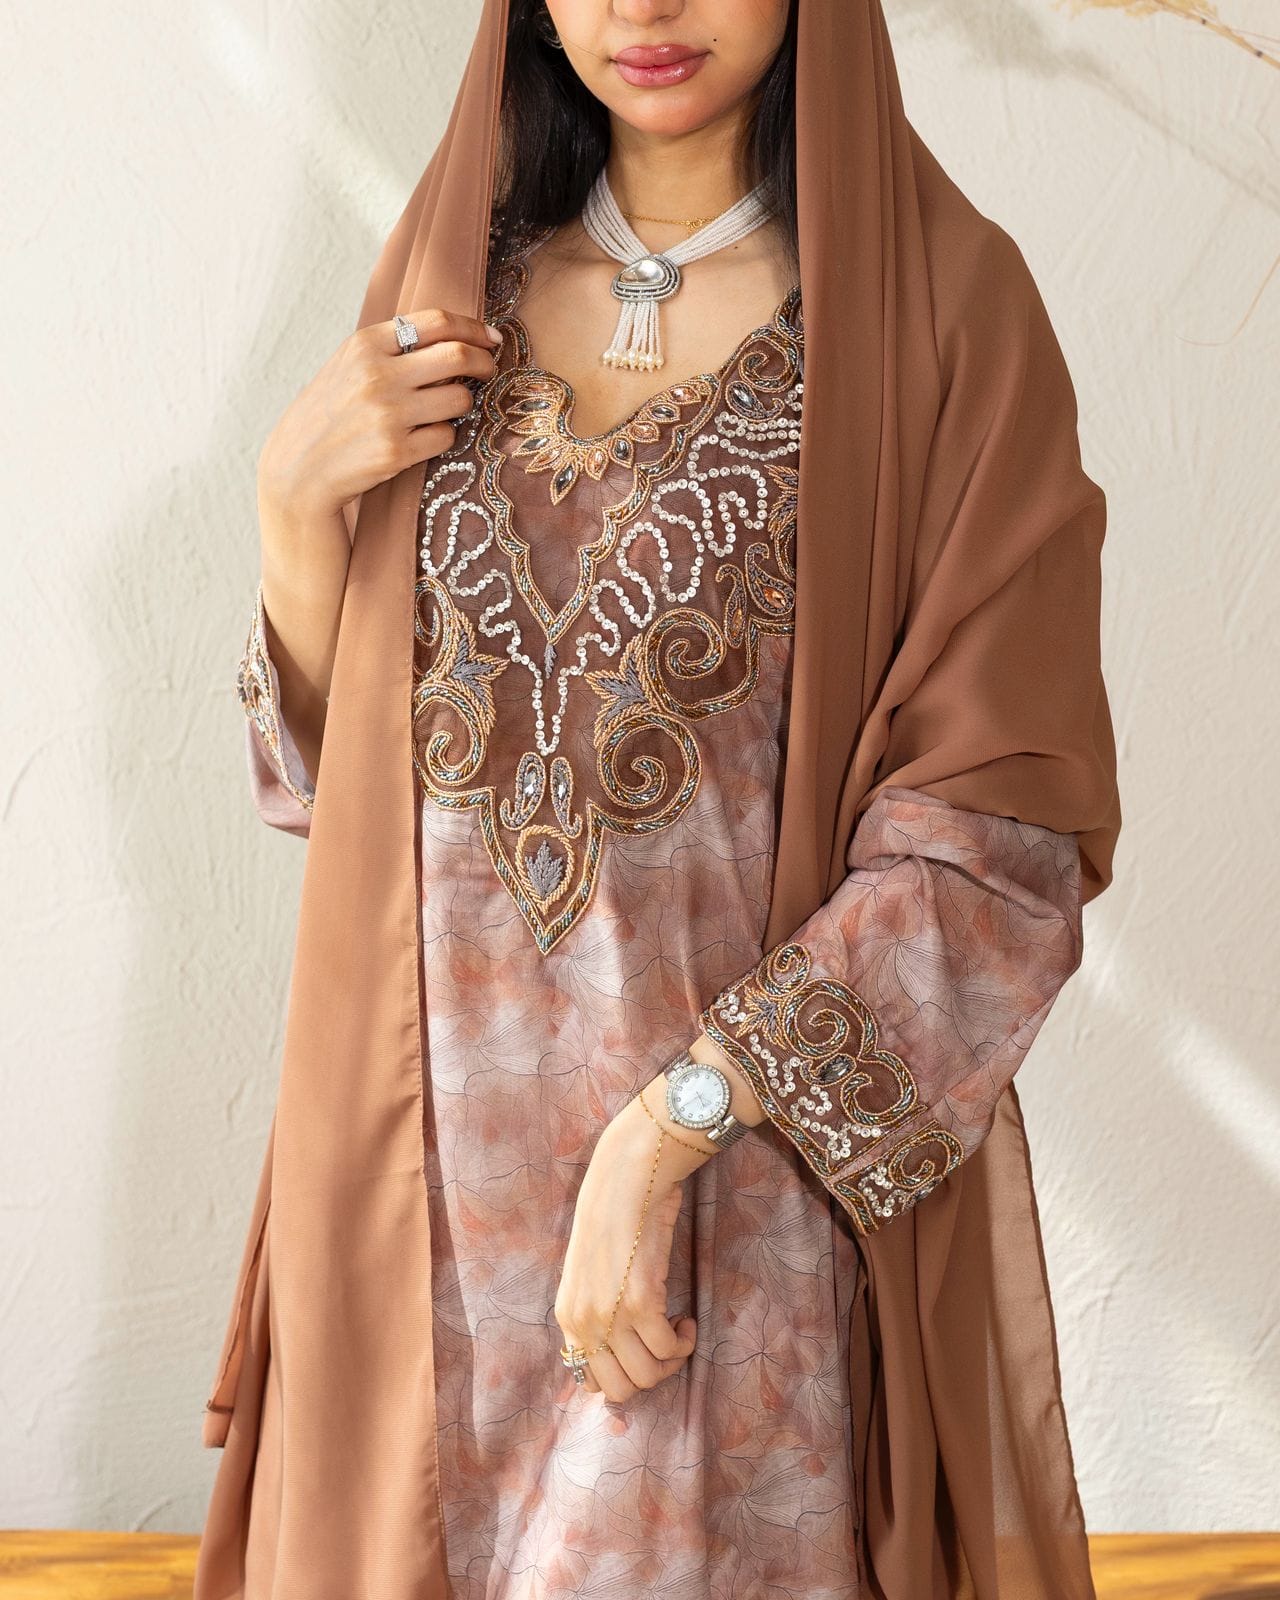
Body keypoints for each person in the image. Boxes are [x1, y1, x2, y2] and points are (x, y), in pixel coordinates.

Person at [195, 2, 1120, 1596]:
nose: (643, 6)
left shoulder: (939, 321)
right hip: (424, 1216)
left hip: (726, 1230)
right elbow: (348, 802)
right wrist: (291, 515)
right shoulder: (450, 297)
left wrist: (671, 1132)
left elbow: (999, 845)